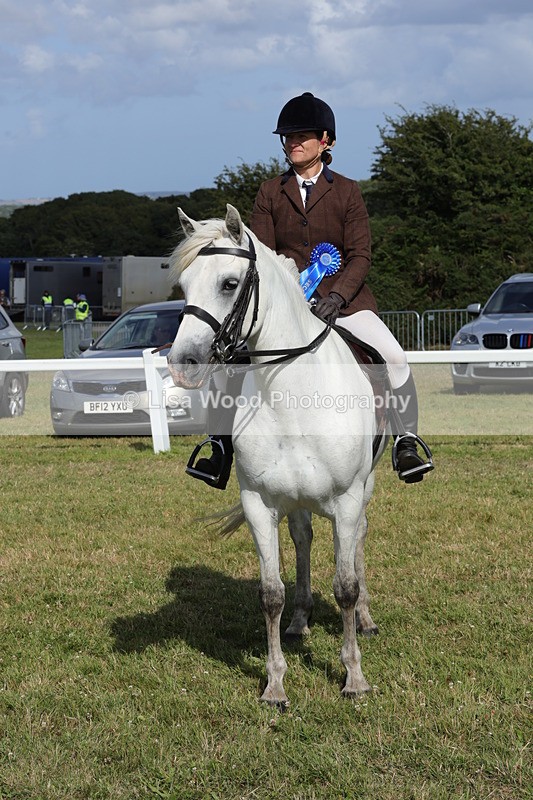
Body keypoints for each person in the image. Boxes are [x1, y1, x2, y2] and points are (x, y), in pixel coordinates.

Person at [190, 92, 433, 488]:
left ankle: (407, 442)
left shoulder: (348, 191)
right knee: (230, 364)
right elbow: (263, 256)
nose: (292, 143)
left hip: (345, 302)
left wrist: (337, 297)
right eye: (287, 137)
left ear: (325, 141)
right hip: (285, 306)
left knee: (393, 356)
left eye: (301, 136)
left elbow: (360, 255)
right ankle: (218, 447)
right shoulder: (270, 192)